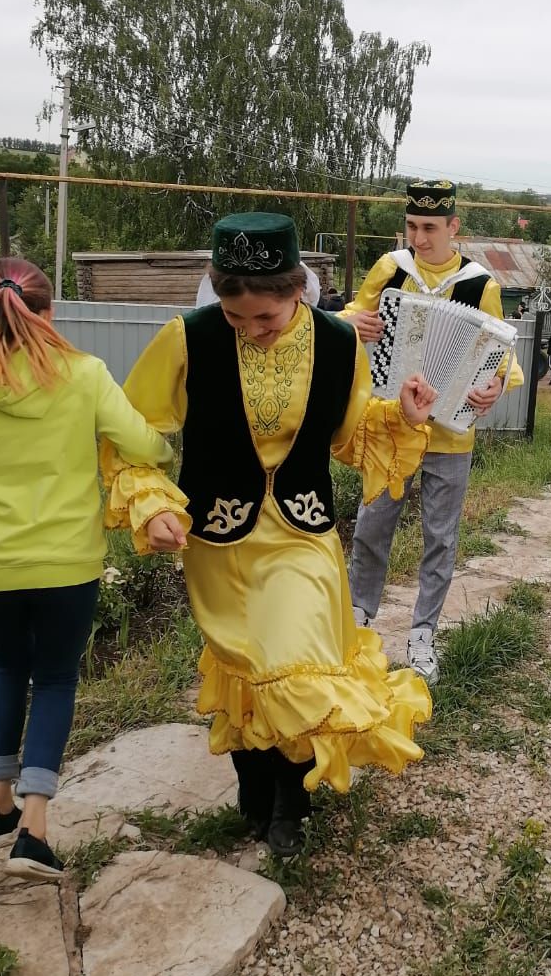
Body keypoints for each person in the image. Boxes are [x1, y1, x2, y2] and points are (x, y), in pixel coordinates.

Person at [102, 212, 435, 857]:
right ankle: (254, 789)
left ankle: (293, 798)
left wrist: (406, 416)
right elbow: (131, 431)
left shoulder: (338, 344)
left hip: (303, 534)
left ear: (299, 293)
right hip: (219, 540)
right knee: (246, 666)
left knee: (296, 660)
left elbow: (351, 435)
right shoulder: (187, 338)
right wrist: (151, 504)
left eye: (267, 320)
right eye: (235, 320)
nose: (251, 333)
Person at [0, 258, 173, 881]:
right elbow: (145, 444)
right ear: (49, 314)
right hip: (67, 562)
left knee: (7, 663)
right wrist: (163, 446)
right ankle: (33, 831)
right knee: (58, 679)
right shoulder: (84, 375)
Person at [342, 179, 524, 685]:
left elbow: (498, 350)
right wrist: (352, 323)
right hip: (391, 424)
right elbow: (348, 319)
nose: (418, 239)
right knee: (372, 525)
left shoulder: (479, 283)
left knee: (440, 539)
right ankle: (358, 623)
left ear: (453, 227)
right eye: (412, 227)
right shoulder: (390, 270)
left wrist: (495, 386)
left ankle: (423, 634)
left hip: (449, 433)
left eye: (428, 228)